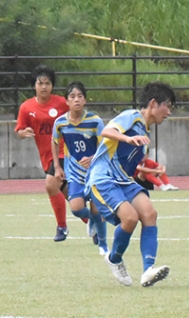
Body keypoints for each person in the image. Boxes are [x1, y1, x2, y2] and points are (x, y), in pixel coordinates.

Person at [86, 81, 174, 287]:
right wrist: (127, 139)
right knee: (130, 218)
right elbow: (107, 131)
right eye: (167, 106)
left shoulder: (146, 131)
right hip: (104, 178)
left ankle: (148, 271)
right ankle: (114, 259)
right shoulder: (131, 116)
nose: (169, 112)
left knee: (150, 214)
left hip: (123, 180)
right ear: (153, 103)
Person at [15, 65, 76, 242]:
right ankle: (92, 223)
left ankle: (62, 227)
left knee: (50, 184)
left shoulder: (61, 103)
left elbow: (78, 116)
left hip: (65, 152)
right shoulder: (26, 107)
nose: (43, 87)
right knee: (72, 199)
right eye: (40, 83)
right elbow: (19, 129)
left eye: (47, 83)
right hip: (47, 157)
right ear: (34, 85)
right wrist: (23, 133)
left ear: (52, 85)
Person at [51, 81, 109, 255]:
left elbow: (106, 145)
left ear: (85, 100)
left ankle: (103, 245)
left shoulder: (95, 121)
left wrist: (93, 158)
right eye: (72, 96)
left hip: (95, 172)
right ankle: (92, 221)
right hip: (75, 174)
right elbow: (54, 142)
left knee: (97, 208)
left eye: (80, 96)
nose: (76, 100)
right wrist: (56, 167)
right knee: (76, 209)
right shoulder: (60, 123)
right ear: (67, 101)